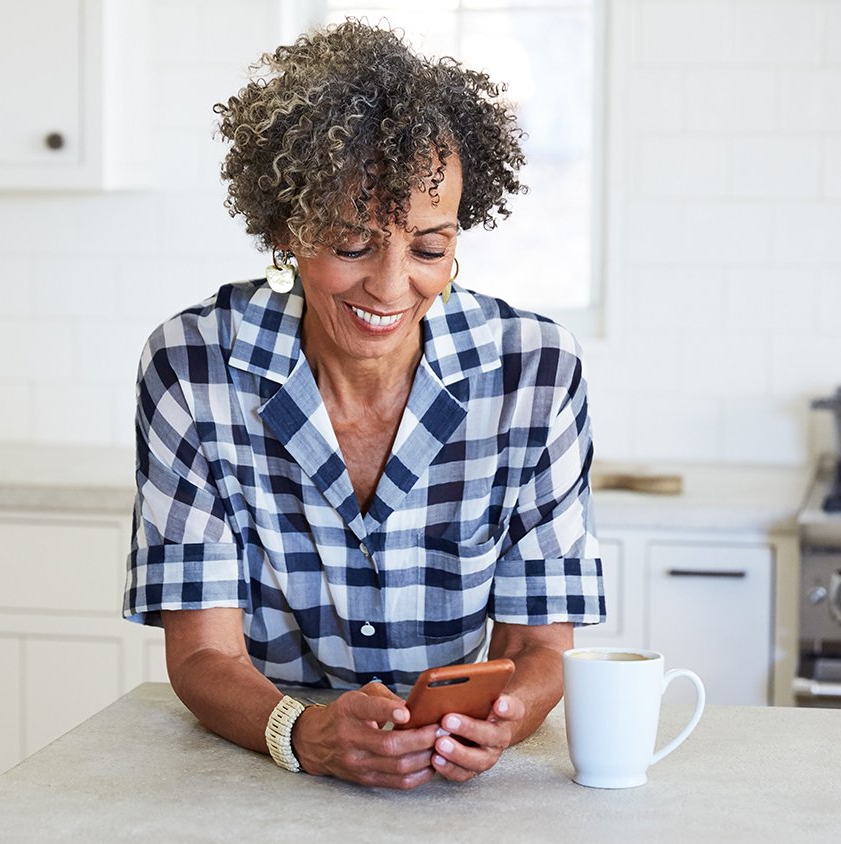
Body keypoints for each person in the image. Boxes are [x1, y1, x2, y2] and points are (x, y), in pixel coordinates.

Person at [125, 20, 602, 791]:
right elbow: (203, 655)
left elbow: (541, 644)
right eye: (351, 245)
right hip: (263, 772)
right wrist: (301, 733)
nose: (388, 287)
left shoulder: (536, 375)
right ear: (287, 229)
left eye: (427, 247)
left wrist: (509, 716)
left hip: (450, 784)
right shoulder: (193, 367)